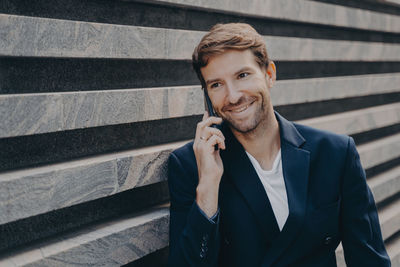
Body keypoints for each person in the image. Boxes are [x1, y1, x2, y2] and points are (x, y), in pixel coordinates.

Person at [167, 23, 390, 266]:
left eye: (242, 75)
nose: (232, 97)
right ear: (207, 96)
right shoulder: (191, 165)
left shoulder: (335, 154)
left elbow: (370, 260)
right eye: (216, 84)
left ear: (269, 74)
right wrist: (208, 187)